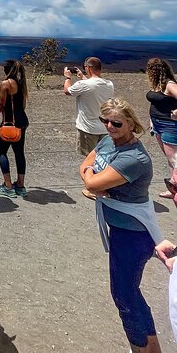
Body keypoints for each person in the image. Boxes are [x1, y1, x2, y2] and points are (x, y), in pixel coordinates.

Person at [80, 98, 164, 353]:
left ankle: (143, 348)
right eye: (105, 121)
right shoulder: (109, 141)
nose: (109, 126)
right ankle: (147, 347)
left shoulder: (134, 158)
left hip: (133, 234)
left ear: (131, 124)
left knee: (125, 296)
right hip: (121, 231)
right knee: (127, 294)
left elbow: (91, 183)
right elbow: (85, 165)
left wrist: (92, 182)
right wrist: (91, 178)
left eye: (116, 122)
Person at [0, 59, 29, 198]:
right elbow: (22, 105)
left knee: (1, 151)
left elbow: (0, 105)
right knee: (19, 153)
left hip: (9, 123)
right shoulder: (21, 83)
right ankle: (20, 185)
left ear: (7, 70)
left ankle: (7, 186)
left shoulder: (5, 84)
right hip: (22, 121)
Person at [64, 57, 114, 157]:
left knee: (90, 160)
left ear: (89, 68)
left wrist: (68, 78)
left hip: (88, 129)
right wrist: (83, 77)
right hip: (104, 129)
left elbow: (67, 90)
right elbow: (93, 86)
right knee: (103, 158)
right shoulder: (109, 84)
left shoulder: (83, 85)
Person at [145, 58, 177, 205]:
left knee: (174, 160)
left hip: (169, 125)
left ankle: (174, 188)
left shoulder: (170, 85)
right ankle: (173, 188)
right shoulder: (158, 85)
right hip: (157, 124)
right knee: (170, 159)